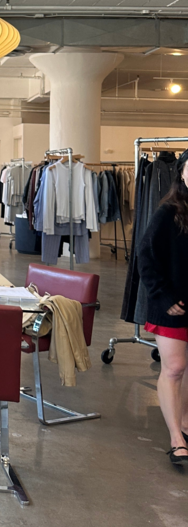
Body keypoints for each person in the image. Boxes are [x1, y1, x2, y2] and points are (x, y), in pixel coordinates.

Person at [137, 149, 188, 467]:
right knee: (175, 368)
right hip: (171, 306)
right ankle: (176, 438)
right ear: (181, 172)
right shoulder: (168, 211)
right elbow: (145, 255)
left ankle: (185, 422)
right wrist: (163, 296)